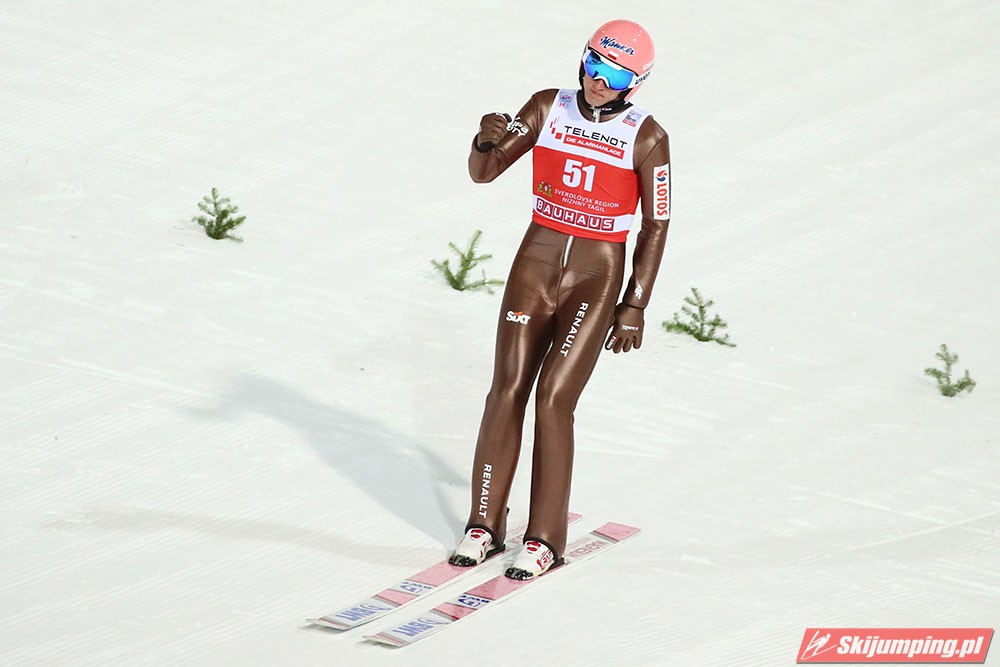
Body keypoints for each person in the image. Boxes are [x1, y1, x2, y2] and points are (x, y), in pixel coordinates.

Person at [449, 19, 671, 580]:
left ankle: (545, 536)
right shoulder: (549, 106)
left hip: (595, 277)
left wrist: (635, 303)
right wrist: (484, 139)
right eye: (595, 64)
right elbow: (484, 172)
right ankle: (483, 523)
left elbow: (656, 224)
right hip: (537, 262)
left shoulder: (647, 136)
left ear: (635, 83)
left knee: (553, 398)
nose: (599, 81)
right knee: (506, 388)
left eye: (615, 74)